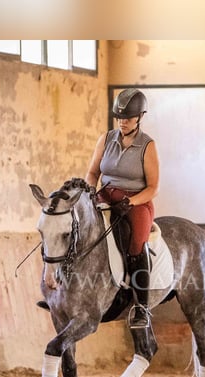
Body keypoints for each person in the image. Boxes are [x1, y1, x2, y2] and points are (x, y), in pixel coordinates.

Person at [85, 88, 160, 328]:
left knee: (136, 244)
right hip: (105, 195)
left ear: (140, 117)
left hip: (135, 203)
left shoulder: (147, 146)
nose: (123, 122)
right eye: (119, 118)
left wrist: (132, 201)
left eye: (127, 118)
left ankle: (141, 307)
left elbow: (153, 187)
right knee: (78, 229)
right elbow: (93, 172)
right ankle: (65, 293)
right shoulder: (106, 139)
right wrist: (89, 193)